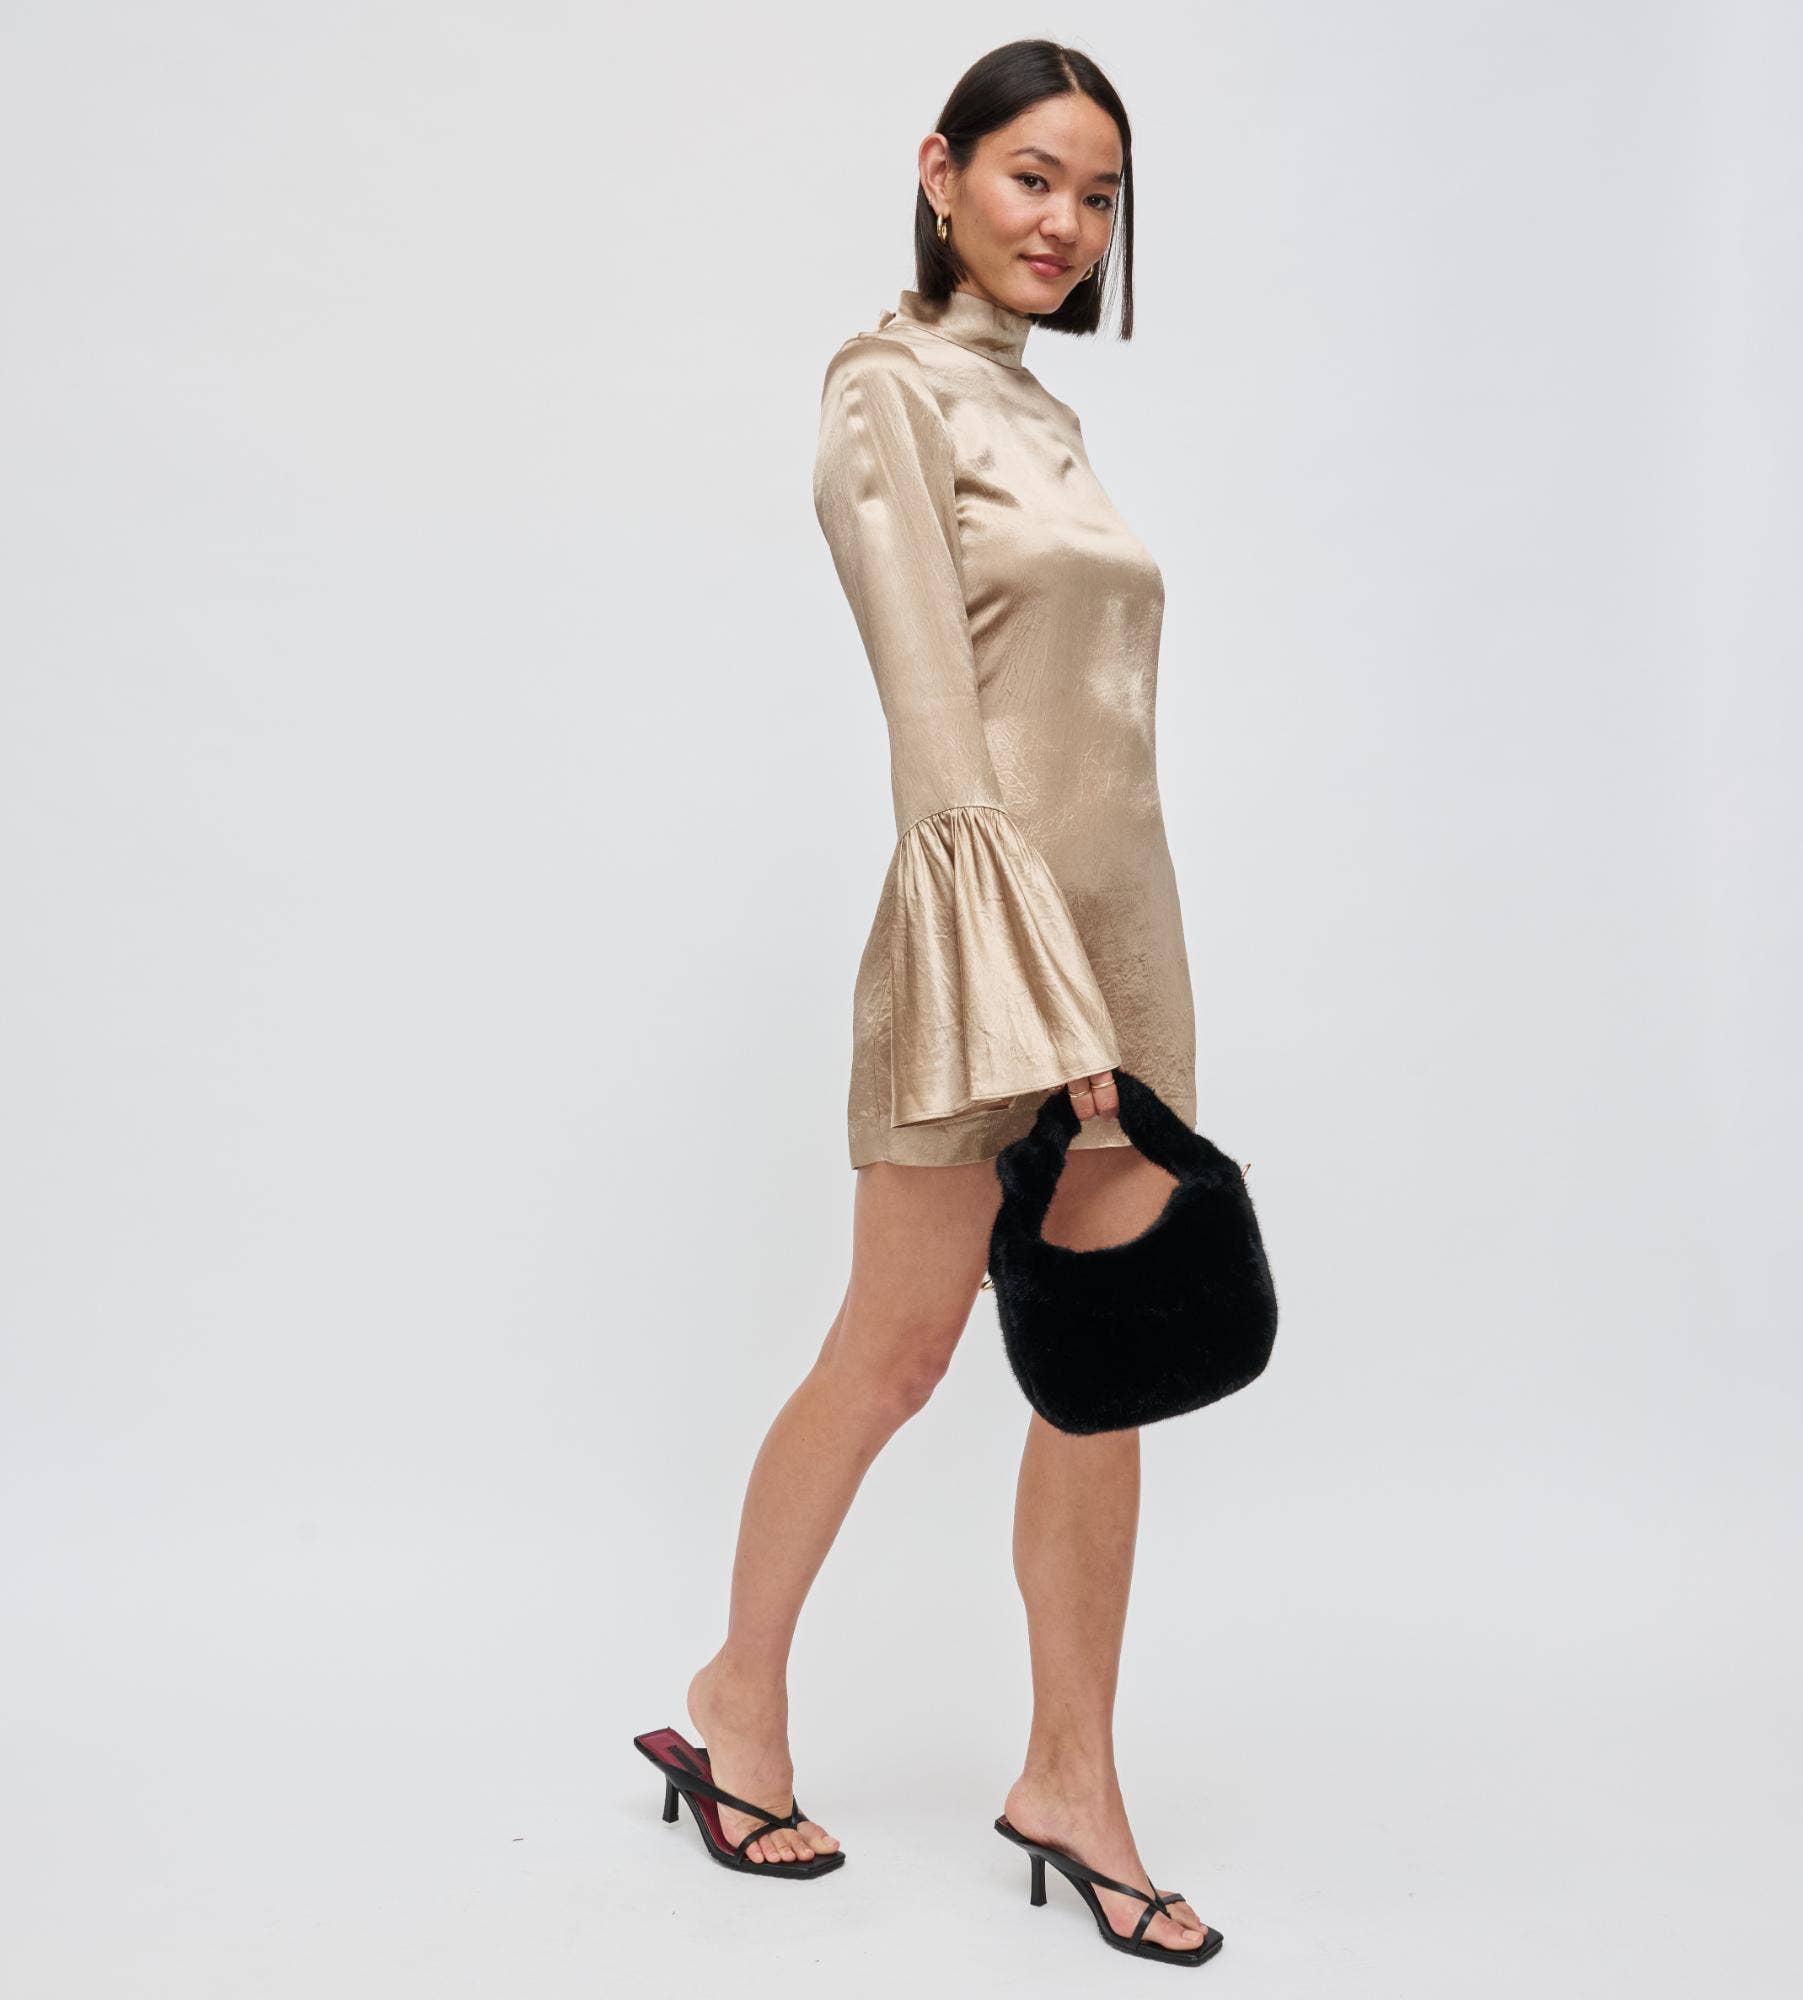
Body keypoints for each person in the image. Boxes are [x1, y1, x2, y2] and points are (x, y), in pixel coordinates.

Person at [636, 39, 1217, 1964]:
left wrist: (1117, 1003)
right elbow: (936, 738)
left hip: (1125, 948)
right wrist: (1047, 1011)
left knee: (1103, 1373)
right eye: (1035, 176)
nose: (1068, 222)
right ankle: (737, 1699)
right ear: (941, 170)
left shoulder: (1045, 412)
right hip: (987, 951)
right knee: (896, 1354)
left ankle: (1073, 1779)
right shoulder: (884, 389)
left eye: (1100, 195)